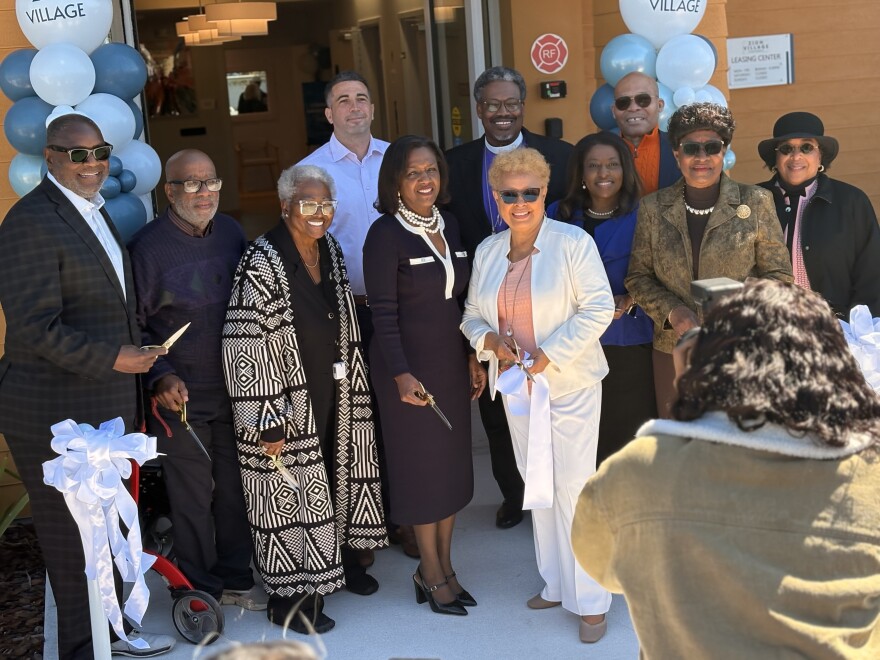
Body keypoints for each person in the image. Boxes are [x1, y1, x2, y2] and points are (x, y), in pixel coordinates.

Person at [573, 279, 880, 659]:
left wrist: (689, 398)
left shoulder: (638, 472)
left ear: (707, 363)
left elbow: (601, 566)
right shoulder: (871, 475)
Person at [0, 114, 174, 658]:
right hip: (55, 413)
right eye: (78, 154)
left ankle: (114, 633)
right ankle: (81, 649)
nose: (92, 163)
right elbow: (33, 327)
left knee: (106, 533)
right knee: (71, 541)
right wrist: (114, 358)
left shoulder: (94, 213)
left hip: (104, 406)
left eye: (99, 151)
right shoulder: (30, 223)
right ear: (49, 157)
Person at [222, 164, 387, 634]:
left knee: (338, 477)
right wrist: (265, 417)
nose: (320, 213)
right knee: (289, 498)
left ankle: (340, 565)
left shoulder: (329, 249)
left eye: (326, 204)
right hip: (284, 401)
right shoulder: (261, 261)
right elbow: (242, 342)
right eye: (309, 204)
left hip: (335, 388)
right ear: (286, 207)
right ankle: (290, 600)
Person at [461, 148, 615, 643]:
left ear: (545, 194)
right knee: (537, 485)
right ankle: (555, 582)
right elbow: (470, 316)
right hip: (517, 387)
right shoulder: (488, 251)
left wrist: (549, 354)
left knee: (573, 486)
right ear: (497, 197)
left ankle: (591, 600)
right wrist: (488, 340)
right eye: (511, 194)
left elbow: (598, 309)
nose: (521, 202)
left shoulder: (573, 243)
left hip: (567, 383)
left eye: (531, 193)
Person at [128, 149, 265, 611]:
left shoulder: (230, 232)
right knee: (191, 495)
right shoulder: (147, 249)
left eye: (210, 182)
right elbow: (135, 326)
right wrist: (160, 376)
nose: (204, 192)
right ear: (169, 191)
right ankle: (198, 589)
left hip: (237, 388)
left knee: (235, 489)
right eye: (191, 183)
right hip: (179, 397)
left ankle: (234, 577)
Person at [363, 135, 487, 617]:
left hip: (450, 362)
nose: (425, 180)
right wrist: (399, 375)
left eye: (431, 170)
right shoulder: (384, 234)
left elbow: (459, 304)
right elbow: (384, 314)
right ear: (395, 180)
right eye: (414, 172)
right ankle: (429, 572)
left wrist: (471, 357)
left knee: (452, 469)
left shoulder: (451, 225)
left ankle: (445, 568)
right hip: (406, 371)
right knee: (421, 473)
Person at [445, 66, 573, 530]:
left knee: (551, 404)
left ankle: (557, 501)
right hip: (486, 297)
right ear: (479, 109)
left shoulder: (560, 155)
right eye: (492, 104)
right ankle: (514, 495)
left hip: (547, 302)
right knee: (498, 407)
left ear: (523, 105)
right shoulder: (453, 162)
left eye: (510, 103)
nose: (503, 112)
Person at [296, 71, 414, 559]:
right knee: (351, 420)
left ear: (372, 107)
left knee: (403, 417)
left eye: (361, 98)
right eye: (342, 100)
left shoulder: (401, 162)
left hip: (405, 310)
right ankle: (360, 530)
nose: (353, 107)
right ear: (329, 114)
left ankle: (407, 519)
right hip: (346, 313)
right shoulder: (311, 171)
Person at [625, 102, 793, 418]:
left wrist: (738, 308)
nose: (701, 157)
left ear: (723, 151)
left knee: (737, 443)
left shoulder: (756, 202)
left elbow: (779, 275)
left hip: (739, 345)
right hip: (673, 347)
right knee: (682, 444)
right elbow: (638, 277)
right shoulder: (653, 208)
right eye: (691, 148)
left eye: (711, 147)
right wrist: (673, 312)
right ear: (677, 154)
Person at [547, 133, 656, 464]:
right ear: (580, 172)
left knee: (626, 434)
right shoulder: (557, 214)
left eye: (612, 165)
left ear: (625, 169)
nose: (603, 173)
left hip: (627, 341)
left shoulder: (645, 213)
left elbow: (660, 272)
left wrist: (631, 296)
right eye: (593, 166)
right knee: (583, 435)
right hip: (572, 343)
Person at [756, 111, 880, 316]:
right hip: (768, 330)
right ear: (775, 158)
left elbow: (872, 275)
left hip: (837, 330)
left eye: (806, 147)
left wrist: (855, 331)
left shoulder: (852, 202)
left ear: (820, 154)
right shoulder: (754, 202)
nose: (796, 157)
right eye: (786, 148)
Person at [610, 72, 680, 196]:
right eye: (623, 102)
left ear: (659, 105)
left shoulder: (682, 149)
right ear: (614, 111)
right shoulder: (600, 153)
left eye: (643, 100)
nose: (633, 108)